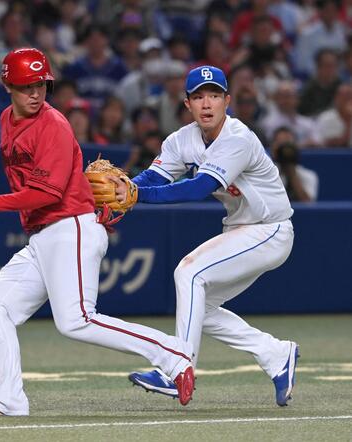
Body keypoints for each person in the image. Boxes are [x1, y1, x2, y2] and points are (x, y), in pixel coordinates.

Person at [0, 48, 194, 416]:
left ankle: (172, 354)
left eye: (41, 84)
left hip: (72, 225)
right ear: (7, 85)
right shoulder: (7, 119)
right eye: (25, 86)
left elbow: (47, 192)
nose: (35, 93)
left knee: (76, 320)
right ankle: (8, 397)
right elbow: (28, 184)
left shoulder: (52, 124)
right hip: (44, 233)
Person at [110, 65, 299, 407]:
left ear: (227, 101)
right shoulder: (182, 140)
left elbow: (200, 188)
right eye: (199, 97)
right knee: (202, 307)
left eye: (214, 95)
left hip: (270, 229)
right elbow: (154, 178)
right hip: (243, 229)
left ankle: (178, 368)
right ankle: (275, 353)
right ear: (188, 104)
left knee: (188, 271)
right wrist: (125, 189)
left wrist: (136, 198)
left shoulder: (238, 139)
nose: (207, 103)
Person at [270, 127, 319, 201]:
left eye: (288, 144)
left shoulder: (309, 175)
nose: (285, 149)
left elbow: (308, 204)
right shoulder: (266, 174)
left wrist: (292, 174)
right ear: (273, 148)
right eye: (280, 144)